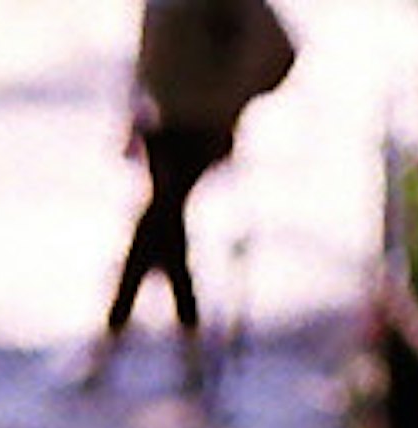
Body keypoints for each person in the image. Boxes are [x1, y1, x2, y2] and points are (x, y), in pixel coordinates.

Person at [99, 0, 297, 365]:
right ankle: (179, 340)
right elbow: (149, 55)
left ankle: (121, 335)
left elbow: (280, 53)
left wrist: (231, 98)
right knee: (163, 222)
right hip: (164, 125)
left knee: (159, 221)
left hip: (200, 128)